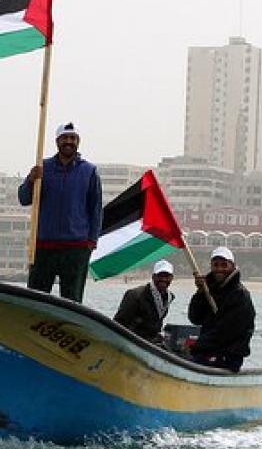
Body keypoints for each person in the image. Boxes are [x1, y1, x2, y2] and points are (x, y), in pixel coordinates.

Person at [18, 121, 103, 303]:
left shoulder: (89, 171)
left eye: (72, 138)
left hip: (76, 248)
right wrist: (31, 180)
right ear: (57, 141)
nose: (69, 142)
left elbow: (95, 209)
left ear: (78, 141)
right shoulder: (43, 168)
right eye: (64, 138)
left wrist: (91, 241)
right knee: (36, 299)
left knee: (72, 301)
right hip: (44, 245)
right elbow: (24, 198)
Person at [187, 246, 255, 372]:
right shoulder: (210, 290)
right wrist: (200, 293)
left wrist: (197, 346)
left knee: (190, 363)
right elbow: (195, 318)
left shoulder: (240, 295)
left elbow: (226, 332)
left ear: (232, 266)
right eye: (216, 265)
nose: (219, 269)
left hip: (229, 356)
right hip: (209, 351)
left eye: (224, 265)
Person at [113, 259, 176, 345]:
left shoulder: (169, 297)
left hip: (151, 342)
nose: (163, 279)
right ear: (153, 276)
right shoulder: (135, 295)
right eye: (160, 276)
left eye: (167, 276)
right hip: (132, 341)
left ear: (171, 278)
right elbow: (119, 322)